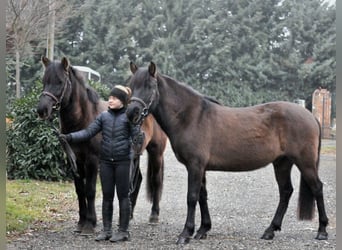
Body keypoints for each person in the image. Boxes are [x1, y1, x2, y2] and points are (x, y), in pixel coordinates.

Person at [59, 85, 144, 242]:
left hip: (123, 162)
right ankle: (106, 230)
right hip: (106, 162)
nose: (110, 100)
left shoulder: (128, 117)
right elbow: (88, 132)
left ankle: (123, 231)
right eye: (110, 97)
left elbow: (138, 139)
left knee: (123, 197)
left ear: (123, 101)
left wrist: (137, 125)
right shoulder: (103, 117)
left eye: (115, 98)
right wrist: (69, 137)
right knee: (107, 196)